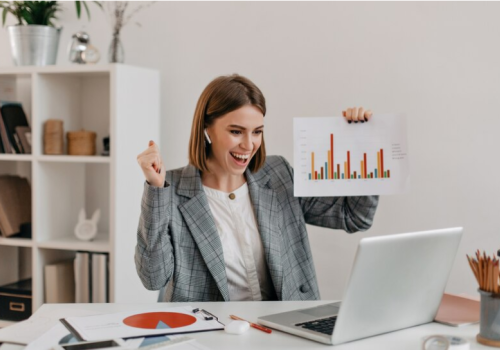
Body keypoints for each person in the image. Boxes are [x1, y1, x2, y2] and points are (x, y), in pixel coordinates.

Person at [135, 74, 379, 302]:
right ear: (207, 128)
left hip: (284, 331)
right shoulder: (172, 189)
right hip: (212, 337)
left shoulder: (278, 174)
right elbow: (153, 277)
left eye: (257, 132)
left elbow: (355, 217)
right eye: (236, 131)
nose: (249, 144)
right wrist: (155, 189)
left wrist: (361, 148)